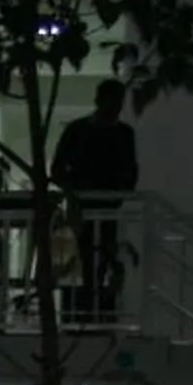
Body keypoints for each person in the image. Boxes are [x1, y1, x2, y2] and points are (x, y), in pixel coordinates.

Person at [51, 80, 139, 320]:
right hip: (82, 207)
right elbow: (57, 170)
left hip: (108, 209)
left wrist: (119, 195)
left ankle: (98, 310)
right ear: (99, 101)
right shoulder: (78, 131)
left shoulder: (122, 134)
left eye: (118, 103)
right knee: (83, 259)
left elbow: (130, 172)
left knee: (104, 258)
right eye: (111, 102)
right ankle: (83, 311)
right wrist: (73, 193)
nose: (115, 108)